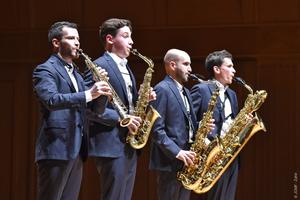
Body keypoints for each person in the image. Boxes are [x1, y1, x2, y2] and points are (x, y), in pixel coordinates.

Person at [32, 21, 111, 200]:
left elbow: (95, 111)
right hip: (56, 148)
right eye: (71, 38)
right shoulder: (45, 70)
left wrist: (104, 90)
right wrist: (88, 94)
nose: (77, 43)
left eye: (78, 38)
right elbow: (51, 100)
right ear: (56, 43)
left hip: (76, 148)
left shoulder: (76, 74)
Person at [86, 18, 155, 200]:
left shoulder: (127, 68)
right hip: (111, 143)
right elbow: (89, 108)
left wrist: (143, 99)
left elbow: (128, 105)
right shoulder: (99, 65)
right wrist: (122, 119)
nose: (131, 41)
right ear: (110, 39)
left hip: (129, 142)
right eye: (125, 36)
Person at [149, 49, 198, 200]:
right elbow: (156, 129)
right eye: (186, 64)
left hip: (186, 161)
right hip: (170, 161)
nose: (190, 69)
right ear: (172, 65)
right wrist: (177, 152)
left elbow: (186, 123)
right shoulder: (162, 89)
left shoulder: (186, 92)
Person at [190, 49, 239, 200]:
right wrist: (201, 126)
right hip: (209, 157)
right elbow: (188, 121)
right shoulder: (201, 89)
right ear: (217, 69)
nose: (234, 70)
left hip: (230, 157)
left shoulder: (232, 94)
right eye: (229, 66)